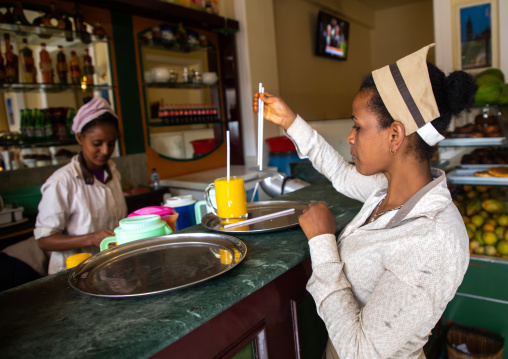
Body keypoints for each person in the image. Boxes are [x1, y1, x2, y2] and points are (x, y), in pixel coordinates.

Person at [253, 44, 475, 359]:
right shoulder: (387, 191)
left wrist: (322, 242)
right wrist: (290, 122)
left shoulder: (434, 238)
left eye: (358, 125)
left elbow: (359, 352)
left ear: (395, 135)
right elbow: (341, 175)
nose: (350, 137)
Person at [35, 96, 127, 275]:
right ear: (80, 138)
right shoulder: (62, 182)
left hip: (109, 268)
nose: (105, 151)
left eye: (111, 143)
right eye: (97, 144)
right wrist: (92, 238)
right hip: (72, 274)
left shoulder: (113, 173)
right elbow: (44, 240)